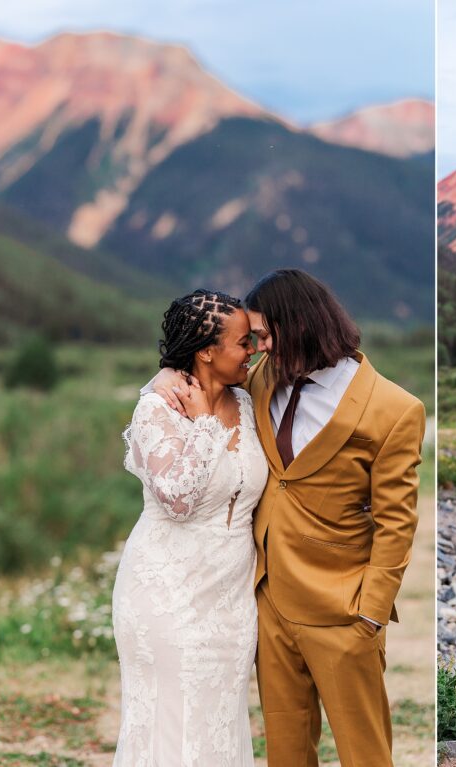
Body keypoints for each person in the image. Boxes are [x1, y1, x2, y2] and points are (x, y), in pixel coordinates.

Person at [152, 269, 425, 767]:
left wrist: (371, 612)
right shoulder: (259, 380)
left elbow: (397, 520)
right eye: (251, 338)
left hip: (342, 609)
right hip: (268, 602)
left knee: (365, 755)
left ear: (299, 325)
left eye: (263, 334)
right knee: (287, 753)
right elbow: (200, 376)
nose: (256, 347)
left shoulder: (394, 409)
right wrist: (165, 375)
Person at [112, 290, 266, 766]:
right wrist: (203, 426)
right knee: (171, 726)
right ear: (206, 351)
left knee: (219, 724)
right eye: (244, 342)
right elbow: (177, 500)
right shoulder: (157, 410)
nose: (255, 350)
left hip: (232, 601)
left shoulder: (249, 401)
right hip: (166, 594)